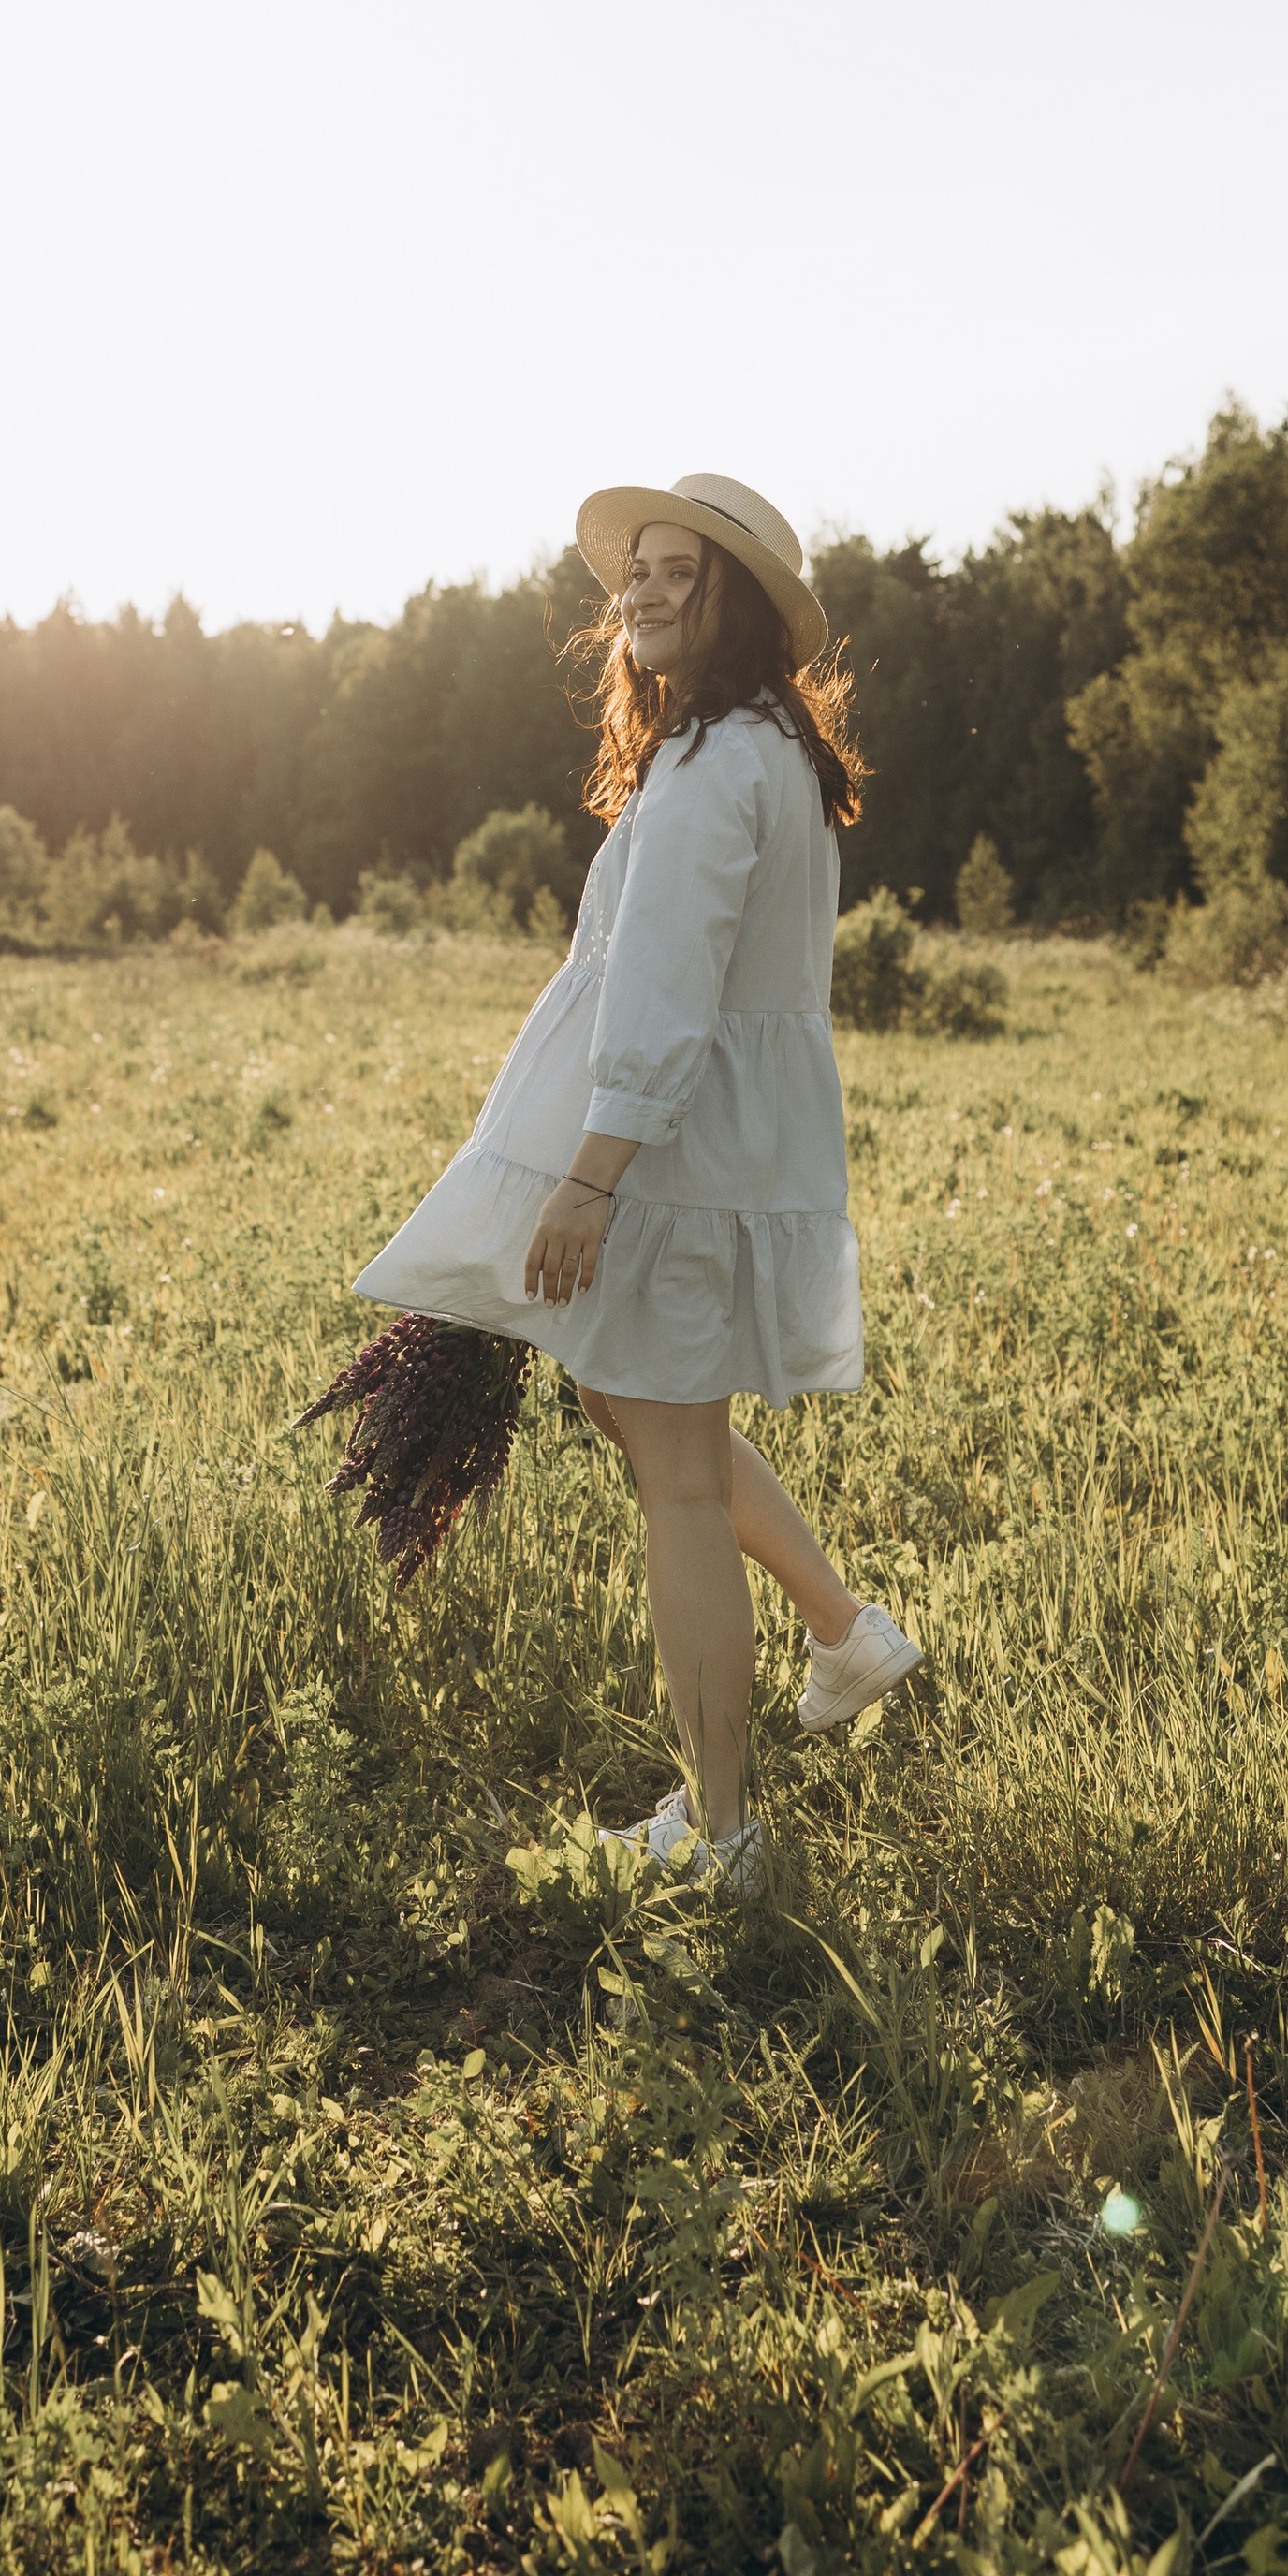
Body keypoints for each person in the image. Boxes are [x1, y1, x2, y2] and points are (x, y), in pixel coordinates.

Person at [352, 472, 921, 1890]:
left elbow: (664, 993)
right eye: (639, 569)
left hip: (674, 1153)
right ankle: (847, 1636)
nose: (648, 588)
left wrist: (591, 1179)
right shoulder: (736, 745)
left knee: (672, 1477)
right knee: (627, 1401)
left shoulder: (724, 760)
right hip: (706, 1143)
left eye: (684, 569)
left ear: (738, 603)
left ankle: (722, 1836)